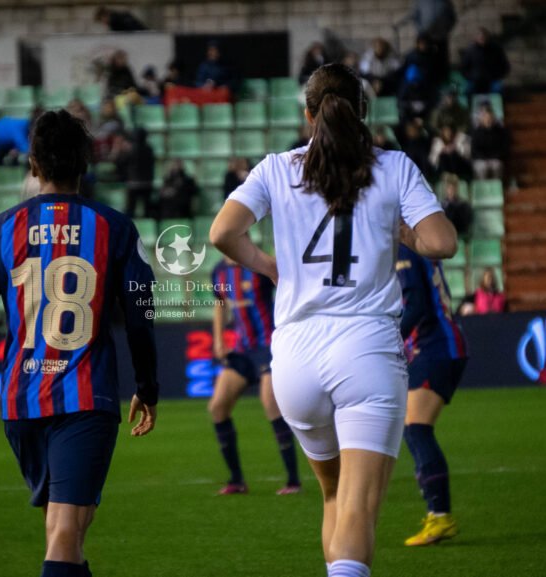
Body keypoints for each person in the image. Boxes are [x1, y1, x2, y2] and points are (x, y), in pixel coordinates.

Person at [209, 63, 457, 577]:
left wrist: (268, 266)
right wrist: (404, 234)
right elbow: (442, 243)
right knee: (357, 508)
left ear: (308, 115)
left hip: (295, 356)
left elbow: (221, 233)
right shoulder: (394, 166)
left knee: (332, 497)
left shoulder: (276, 168)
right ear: (363, 111)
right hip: (366, 349)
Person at [0, 109, 159, 577]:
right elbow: (141, 315)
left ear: (33, 164)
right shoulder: (115, 227)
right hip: (84, 400)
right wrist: (148, 386)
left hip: (20, 405)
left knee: (63, 532)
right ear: (85, 163)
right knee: (66, 533)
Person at [207, 257, 301, 496]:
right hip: (242, 350)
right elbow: (220, 304)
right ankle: (236, 481)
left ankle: (293, 481)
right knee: (218, 407)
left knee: (271, 404)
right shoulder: (219, 271)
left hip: (268, 347)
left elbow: (288, 292)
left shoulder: (258, 263)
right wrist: (218, 339)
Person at [396, 244, 468, 546]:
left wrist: (389, 339)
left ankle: (440, 516)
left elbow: (417, 305)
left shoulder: (404, 251)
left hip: (437, 346)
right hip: (436, 346)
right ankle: (437, 513)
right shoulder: (416, 248)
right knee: (413, 430)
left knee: (417, 429)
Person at [459, 28, 510, 95]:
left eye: (484, 37)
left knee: (499, 91)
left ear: (488, 37)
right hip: (475, 80)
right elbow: (463, 68)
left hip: (492, 80)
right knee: (467, 91)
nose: (482, 39)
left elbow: (504, 65)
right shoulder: (470, 50)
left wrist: (498, 76)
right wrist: (471, 77)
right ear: (476, 38)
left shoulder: (496, 49)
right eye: (480, 37)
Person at [119, 128, 155, 218]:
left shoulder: (131, 150)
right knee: (147, 209)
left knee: (131, 209)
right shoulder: (149, 149)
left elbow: (121, 162)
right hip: (147, 183)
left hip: (133, 183)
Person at [471, 104, 509, 180]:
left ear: (492, 117)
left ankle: (497, 186)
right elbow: (474, 150)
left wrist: (494, 157)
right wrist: (484, 159)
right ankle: (482, 186)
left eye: (489, 116)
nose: (487, 119)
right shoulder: (476, 132)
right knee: (482, 168)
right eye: (484, 116)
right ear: (481, 118)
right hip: (481, 160)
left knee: (497, 166)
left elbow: (503, 148)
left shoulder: (500, 131)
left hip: (495, 159)